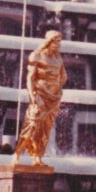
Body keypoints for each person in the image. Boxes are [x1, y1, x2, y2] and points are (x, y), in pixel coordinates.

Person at [12, 30, 68, 167]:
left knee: (45, 129)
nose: (59, 44)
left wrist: (57, 87)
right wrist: (32, 97)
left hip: (53, 98)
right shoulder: (36, 55)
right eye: (56, 41)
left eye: (60, 41)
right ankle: (17, 154)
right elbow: (30, 79)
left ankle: (37, 156)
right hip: (40, 96)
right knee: (32, 125)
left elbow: (64, 76)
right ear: (49, 41)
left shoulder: (58, 58)